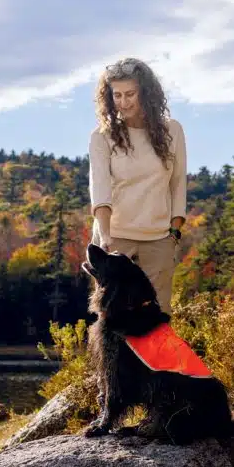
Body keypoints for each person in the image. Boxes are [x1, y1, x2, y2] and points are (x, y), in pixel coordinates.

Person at [87, 57, 187, 313]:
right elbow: (100, 190)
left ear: (146, 92)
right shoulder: (102, 136)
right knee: (114, 321)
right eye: (117, 95)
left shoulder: (172, 131)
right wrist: (106, 237)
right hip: (115, 240)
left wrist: (174, 234)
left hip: (159, 241)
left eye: (130, 94)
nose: (123, 102)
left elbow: (177, 183)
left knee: (158, 320)